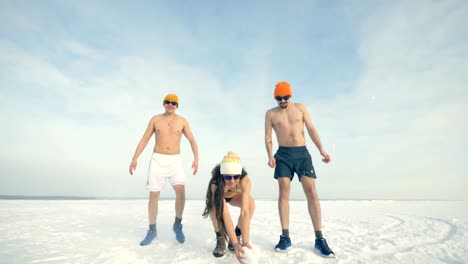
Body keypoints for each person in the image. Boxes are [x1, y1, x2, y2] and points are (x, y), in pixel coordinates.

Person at [264, 81, 335, 257]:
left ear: (290, 96)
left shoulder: (300, 108)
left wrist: (322, 150)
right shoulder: (270, 114)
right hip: (283, 155)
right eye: (278, 98)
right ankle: (285, 236)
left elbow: (311, 128)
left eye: (285, 97)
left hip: (302, 154)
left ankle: (319, 239)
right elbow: (267, 136)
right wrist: (270, 155)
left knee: (311, 192)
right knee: (284, 191)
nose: (282, 100)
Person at [129, 93, 199, 246]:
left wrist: (196, 159)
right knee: (153, 196)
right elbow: (145, 139)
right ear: (163, 103)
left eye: (173, 103)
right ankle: (152, 229)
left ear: (177, 105)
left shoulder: (182, 121)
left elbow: (192, 139)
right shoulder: (155, 120)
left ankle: (177, 224)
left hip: (175, 160)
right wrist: (135, 158)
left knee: (181, 191)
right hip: (157, 160)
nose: (170, 105)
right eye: (167, 102)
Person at [202, 151, 255, 262]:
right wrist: (237, 245)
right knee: (213, 209)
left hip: (233, 196)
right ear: (222, 175)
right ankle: (221, 238)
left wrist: (245, 243)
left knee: (250, 203)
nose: (232, 181)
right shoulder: (215, 183)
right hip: (219, 198)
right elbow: (226, 216)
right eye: (227, 177)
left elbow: (245, 212)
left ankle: (236, 234)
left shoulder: (245, 180)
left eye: (236, 177)